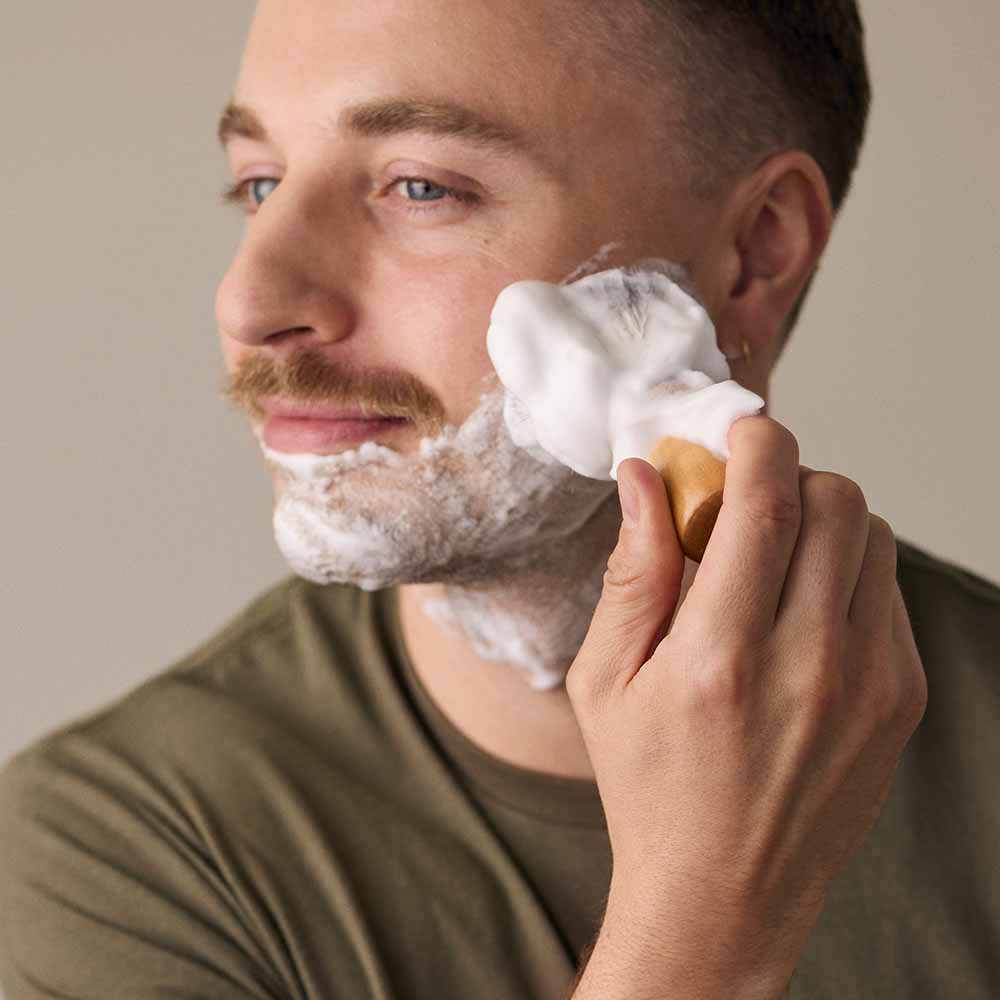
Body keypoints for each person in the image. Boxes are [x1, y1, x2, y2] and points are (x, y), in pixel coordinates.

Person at [1, 1, 997, 997]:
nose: (248, 303)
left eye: (421, 186)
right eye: (259, 182)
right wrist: (701, 927)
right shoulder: (120, 853)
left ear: (756, 248)